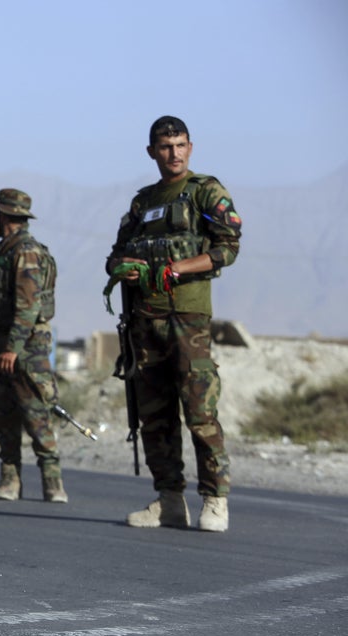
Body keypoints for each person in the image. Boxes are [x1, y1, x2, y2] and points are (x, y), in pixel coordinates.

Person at [106, 115, 242, 532]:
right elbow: (115, 256)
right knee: (155, 415)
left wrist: (181, 267)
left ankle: (215, 500)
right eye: (166, 147)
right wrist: (125, 268)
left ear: (190, 147)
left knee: (200, 411)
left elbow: (229, 248)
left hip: (188, 319)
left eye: (180, 145)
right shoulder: (142, 203)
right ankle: (168, 500)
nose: (174, 153)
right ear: (152, 152)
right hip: (145, 322)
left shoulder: (205, 192)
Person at [0, 189, 67, 503]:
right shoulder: (6, 251)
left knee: (35, 413)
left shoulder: (26, 252)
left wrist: (13, 348)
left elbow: (28, 307)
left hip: (25, 347)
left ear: (3, 215)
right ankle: (10, 478)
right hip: (2, 340)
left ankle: (52, 482)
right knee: (3, 414)